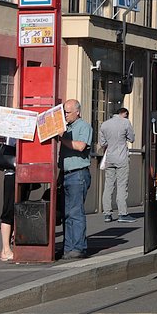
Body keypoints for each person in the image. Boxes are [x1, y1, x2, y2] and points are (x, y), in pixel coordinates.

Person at [59, 99, 92, 260]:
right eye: (64, 112)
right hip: (65, 174)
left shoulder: (83, 126)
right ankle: (68, 247)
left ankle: (78, 247)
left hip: (78, 174)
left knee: (75, 212)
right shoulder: (67, 128)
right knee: (67, 213)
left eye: (67, 112)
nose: (65, 115)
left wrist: (62, 139)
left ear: (77, 112)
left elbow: (80, 146)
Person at [99, 107, 135, 223]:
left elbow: (103, 143)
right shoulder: (125, 123)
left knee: (108, 185)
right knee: (121, 186)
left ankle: (107, 214)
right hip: (122, 158)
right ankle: (122, 213)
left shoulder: (104, 124)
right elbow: (132, 138)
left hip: (109, 158)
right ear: (124, 113)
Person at [0, 137, 16, 262]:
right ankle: (5, 249)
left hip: (20, 171)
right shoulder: (12, 132)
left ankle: (8, 247)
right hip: (12, 172)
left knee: (17, 209)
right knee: (9, 210)